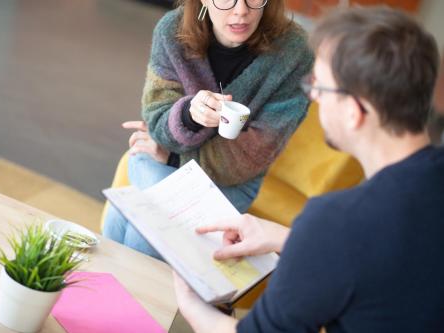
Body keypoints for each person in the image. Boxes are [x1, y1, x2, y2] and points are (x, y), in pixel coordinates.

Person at [174, 6, 444, 333]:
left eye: (322, 87)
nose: (314, 97)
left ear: (354, 111)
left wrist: (189, 302)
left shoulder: (337, 221)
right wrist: (292, 239)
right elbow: (392, 257)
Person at [102, 0, 313, 259]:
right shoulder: (172, 31)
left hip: (230, 182)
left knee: (135, 225)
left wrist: (173, 157)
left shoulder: (295, 53)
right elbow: (157, 117)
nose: (241, 11)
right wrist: (190, 115)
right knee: (143, 223)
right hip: (158, 160)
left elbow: (256, 152)